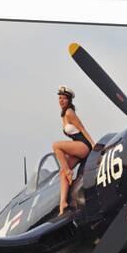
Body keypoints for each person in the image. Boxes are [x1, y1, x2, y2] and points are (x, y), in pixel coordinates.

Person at [52, 85, 95, 215]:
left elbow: (82, 129)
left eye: (64, 98)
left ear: (69, 100)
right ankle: (63, 204)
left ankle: (68, 171)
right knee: (61, 174)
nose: (61, 101)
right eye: (60, 98)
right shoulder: (63, 115)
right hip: (77, 145)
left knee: (56, 145)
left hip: (84, 145)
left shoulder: (70, 113)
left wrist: (93, 145)